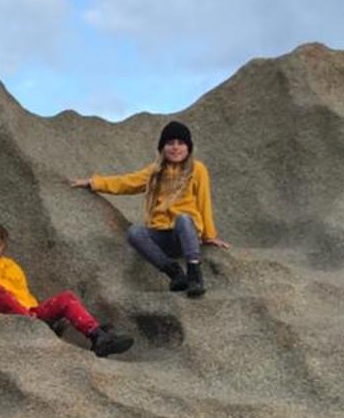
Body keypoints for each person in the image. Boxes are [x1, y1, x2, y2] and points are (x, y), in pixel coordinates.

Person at [70, 120, 229, 297]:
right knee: (134, 232)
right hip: (161, 235)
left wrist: (209, 235)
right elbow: (126, 182)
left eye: (181, 143)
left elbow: (204, 201)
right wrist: (94, 183)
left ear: (188, 148)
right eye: (170, 143)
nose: (175, 148)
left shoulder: (197, 169)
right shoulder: (155, 171)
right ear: (162, 147)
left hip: (185, 234)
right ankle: (174, 272)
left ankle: (194, 275)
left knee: (183, 219)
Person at [0, 219, 134, 357]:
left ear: (2, 243)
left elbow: (24, 295)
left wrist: (37, 313)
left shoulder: (10, 265)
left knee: (66, 298)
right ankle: (38, 325)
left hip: (27, 313)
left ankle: (98, 337)